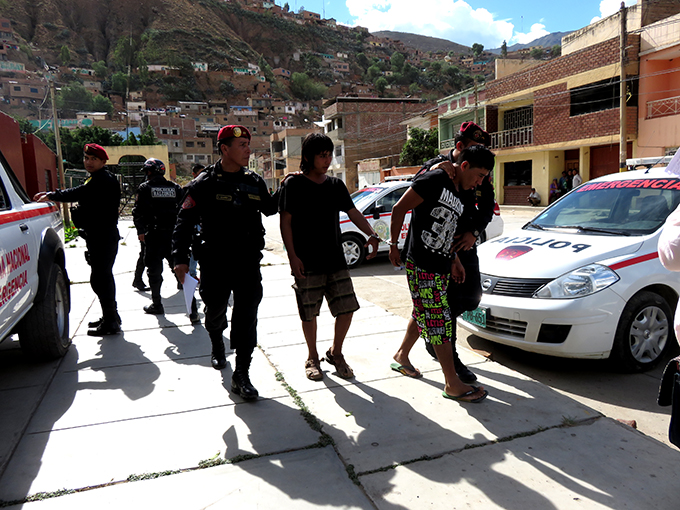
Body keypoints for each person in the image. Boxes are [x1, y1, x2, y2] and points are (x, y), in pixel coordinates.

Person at [172, 125, 279, 401]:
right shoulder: (204, 183)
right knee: (215, 309)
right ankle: (217, 342)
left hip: (247, 262)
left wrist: (289, 185)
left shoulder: (254, 181)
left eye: (248, 145)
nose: (248, 150)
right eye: (242, 145)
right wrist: (180, 258)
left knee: (247, 315)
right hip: (216, 262)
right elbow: (184, 220)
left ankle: (241, 374)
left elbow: (270, 208)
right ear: (224, 149)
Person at [389, 145, 495, 403]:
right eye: (479, 175)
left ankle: (402, 356)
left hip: (441, 264)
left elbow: (445, 229)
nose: (480, 182)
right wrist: (393, 245)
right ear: (465, 165)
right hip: (422, 264)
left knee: (424, 312)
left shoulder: (462, 191)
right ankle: (451, 382)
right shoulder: (437, 178)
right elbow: (399, 209)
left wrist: (454, 259)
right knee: (439, 320)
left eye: (484, 178)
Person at [279, 133, 380, 381]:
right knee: (309, 313)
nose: (327, 160)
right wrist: (292, 257)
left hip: (335, 260)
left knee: (347, 309)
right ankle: (312, 357)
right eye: (322, 156)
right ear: (307, 157)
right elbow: (285, 222)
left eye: (329, 155)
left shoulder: (335, 185)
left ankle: (336, 352)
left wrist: (371, 234)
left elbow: (353, 211)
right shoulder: (294, 185)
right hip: (306, 262)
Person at [34, 144, 122, 336]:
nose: (88, 162)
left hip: (103, 236)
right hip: (99, 235)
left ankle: (111, 322)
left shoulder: (102, 180)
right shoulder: (99, 178)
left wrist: (52, 195)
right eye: (86, 158)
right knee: (101, 278)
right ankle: (111, 316)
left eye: (93, 159)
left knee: (100, 279)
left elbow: (78, 192)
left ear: (103, 162)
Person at [132, 158, 182, 315]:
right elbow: (184, 210)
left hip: (154, 235)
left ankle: (157, 304)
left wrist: (140, 231)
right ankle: (192, 308)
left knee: (154, 271)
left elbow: (138, 212)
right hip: (173, 235)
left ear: (148, 172)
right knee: (180, 267)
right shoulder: (175, 187)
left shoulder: (145, 188)